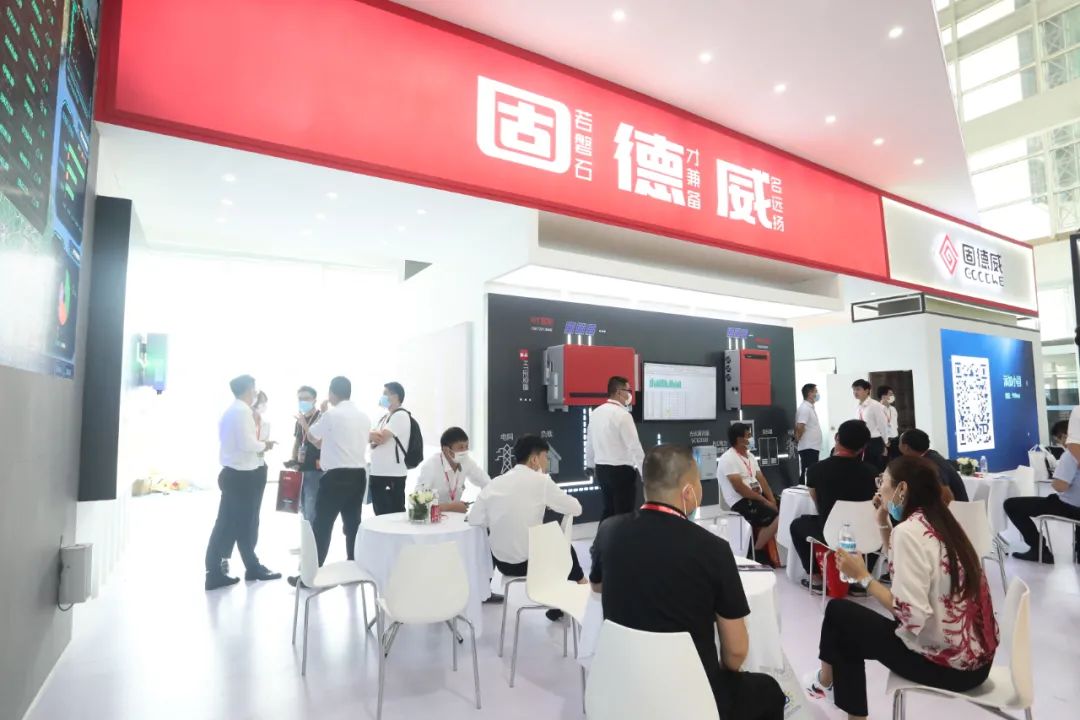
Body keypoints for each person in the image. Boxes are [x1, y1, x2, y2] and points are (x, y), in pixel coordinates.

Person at [589, 444, 786, 720]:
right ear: (688, 491)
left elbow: (597, 585)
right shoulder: (713, 550)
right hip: (693, 695)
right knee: (769, 691)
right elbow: (736, 653)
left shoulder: (609, 530)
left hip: (623, 685)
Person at [805, 456, 998, 720]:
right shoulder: (942, 520)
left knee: (840, 615)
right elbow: (903, 567)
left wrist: (864, 577)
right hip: (979, 663)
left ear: (902, 489)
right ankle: (827, 682)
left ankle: (827, 683)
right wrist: (882, 519)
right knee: (844, 623)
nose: (878, 489)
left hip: (947, 666)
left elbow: (911, 616)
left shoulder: (909, 531)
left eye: (882, 481)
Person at [467, 435, 584, 620]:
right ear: (534, 460)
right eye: (545, 457)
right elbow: (576, 508)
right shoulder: (541, 482)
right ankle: (580, 587)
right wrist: (549, 502)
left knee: (554, 544)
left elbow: (474, 518)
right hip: (531, 563)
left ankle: (563, 600)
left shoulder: (495, 483)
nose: (547, 462)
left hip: (502, 564)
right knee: (562, 544)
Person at [204, 375, 281, 590]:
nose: (256, 393)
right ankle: (236, 569)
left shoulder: (232, 410)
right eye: (254, 389)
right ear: (249, 390)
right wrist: (264, 445)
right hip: (241, 477)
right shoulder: (242, 412)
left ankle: (231, 569)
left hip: (235, 475)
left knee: (231, 523)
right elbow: (248, 444)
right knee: (239, 525)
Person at [293, 376, 371, 574]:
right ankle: (354, 566)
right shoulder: (364, 417)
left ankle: (311, 573)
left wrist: (304, 423)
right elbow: (326, 443)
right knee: (353, 524)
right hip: (359, 476)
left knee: (322, 525)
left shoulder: (331, 415)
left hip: (335, 477)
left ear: (332, 393)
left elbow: (312, 436)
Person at [789, 420, 878, 592]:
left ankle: (815, 579)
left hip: (830, 534)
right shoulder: (873, 472)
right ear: (863, 447)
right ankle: (861, 581)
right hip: (865, 534)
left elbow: (818, 505)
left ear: (837, 438)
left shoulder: (815, 470)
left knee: (797, 525)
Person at [1003, 448, 1080, 563]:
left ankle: (1038, 550)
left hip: (1069, 506)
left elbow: (1059, 486)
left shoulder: (1071, 455)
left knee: (1011, 505)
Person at [586, 375, 645, 520]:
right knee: (624, 514)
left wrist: (590, 464)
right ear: (619, 392)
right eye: (628, 390)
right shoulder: (623, 415)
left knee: (608, 510)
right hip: (621, 472)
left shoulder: (596, 413)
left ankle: (603, 535)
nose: (630, 394)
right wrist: (645, 472)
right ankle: (621, 536)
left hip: (601, 470)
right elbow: (634, 446)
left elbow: (590, 442)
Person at [718, 423, 779, 557]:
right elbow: (739, 488)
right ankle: (756, 551)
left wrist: (772, 500)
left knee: (784, 508)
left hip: (757, 496)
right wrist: (765, 501)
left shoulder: (750, 456)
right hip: (740, 501)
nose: (751, 438)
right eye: (748, 435)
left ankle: (767, 551)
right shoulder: (727, 459)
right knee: (777, 516)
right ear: (739, 439)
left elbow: (761, 479)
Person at [416, 426, 490, 513]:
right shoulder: (431, 466)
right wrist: (451, 507)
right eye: (461, 447)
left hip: (456, 518)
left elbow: (486, 482)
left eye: (466, 446)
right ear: (446, 450)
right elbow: (418, 503)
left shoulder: (466, 461)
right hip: (434, 518)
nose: (465, 451)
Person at [369, 381, 411, 515]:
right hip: (379, 473)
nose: (382, 397)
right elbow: (373, 438)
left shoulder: (400, 415)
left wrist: (367, 434)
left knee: (393, 515)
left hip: (391, 474)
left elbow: (380, 438)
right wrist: (371, 435)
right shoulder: (385, 416)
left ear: (396, 396)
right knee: (380, 514)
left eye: (385, 394)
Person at [898, 429, 968, 502]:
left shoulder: (930, 464)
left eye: (899, 443)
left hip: (957, 507)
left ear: (906, 447)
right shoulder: (929, 456)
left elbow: (947, 497)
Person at [290, 385, 323, 525]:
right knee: (302, 506)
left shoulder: (321, 418)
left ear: (314, 400)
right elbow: (297, 441)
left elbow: (320, 441)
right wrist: (293, 460)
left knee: (312, 505)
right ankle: (306, 536)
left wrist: (305, 424)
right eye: (300, 399)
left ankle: (314, 536)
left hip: (316, 468)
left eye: (306, 398)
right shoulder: (300, 419)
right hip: (301, 468)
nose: (302, 401)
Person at [852, 380, 889, 471]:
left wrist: (885, 443)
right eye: (854, 390)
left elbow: (882, 425)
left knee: (874, 468)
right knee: (863, 468)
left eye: (858, 389)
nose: (855, 392)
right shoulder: (858, 406)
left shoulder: (875, 405)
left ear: (867, 390)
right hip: (861, 441)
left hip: (874, 441)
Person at [795, 383, 823, 482]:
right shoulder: (805, 408)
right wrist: (797, 439)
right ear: (810, 393)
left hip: (812, 447)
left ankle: (807, 488)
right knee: (808, 472)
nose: (817, 394)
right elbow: (800, 426)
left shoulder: (809, 408)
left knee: (810, 472)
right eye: (815, 391)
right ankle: (803, 489)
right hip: (808, 447)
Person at [878, 385, 901, 460]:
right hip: (884, 441)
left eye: (892, 394)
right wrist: (883, 444)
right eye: (890, 394)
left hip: (895, 439)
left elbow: (895, 425)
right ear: (883, 396)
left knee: (896, 461)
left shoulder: (893, 409)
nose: (893, 396)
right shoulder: (877, 409)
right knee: (885, 461)